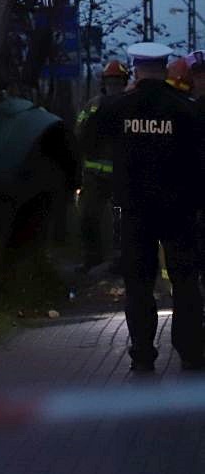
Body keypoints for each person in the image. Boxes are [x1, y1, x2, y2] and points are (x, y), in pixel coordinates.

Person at [86, 42, 205, 372]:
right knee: (185, 282)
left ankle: (142, 353)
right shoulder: (185, 107)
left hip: (135, 210)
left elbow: (90, 141)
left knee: (138, 284)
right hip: (179, 210)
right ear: (165, 68)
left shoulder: (117, 106)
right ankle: (192, 352)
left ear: (136, 69)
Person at [74, 59, 129, 270]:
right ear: (104, 82)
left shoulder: (130, 105)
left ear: (124, 82)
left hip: (118, 174)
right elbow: (79, 130)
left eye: (117, 81)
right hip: (96, 174)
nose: (114, 85)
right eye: (111, 81)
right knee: (89, 217)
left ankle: (119, 260)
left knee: (121, 220)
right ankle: (92, 258)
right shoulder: (93, 105)